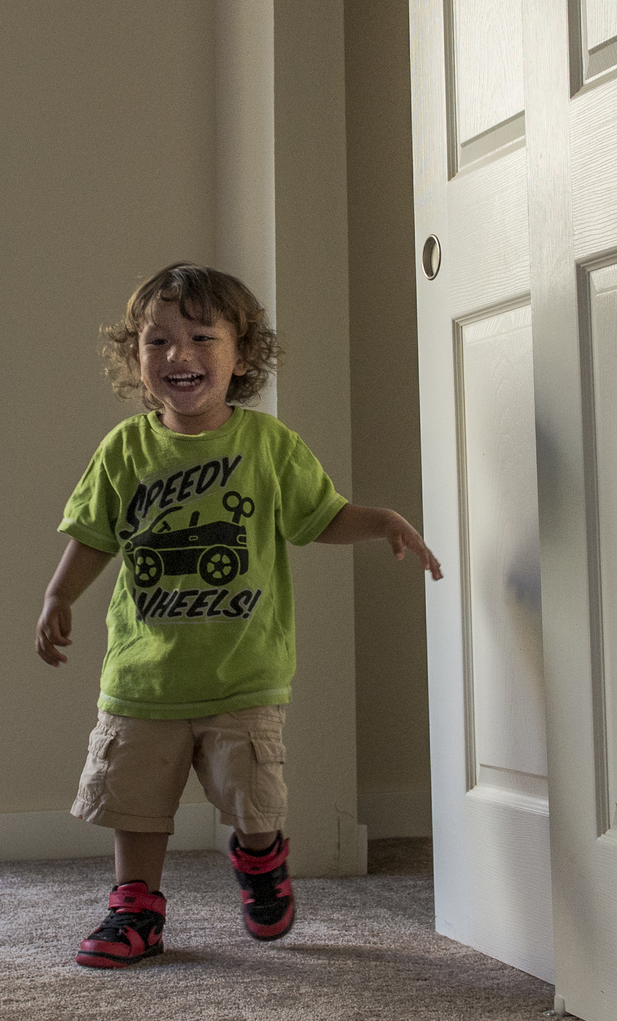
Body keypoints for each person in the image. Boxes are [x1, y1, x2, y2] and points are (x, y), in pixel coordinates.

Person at [34, 263, 443, 967]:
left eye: (200, 337)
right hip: (143, 677)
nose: (178, 356)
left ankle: (260, 864)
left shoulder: (268, 445)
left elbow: (321, 516)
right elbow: (93, 534)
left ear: (242, 355)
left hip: (243, 674)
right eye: (157, 340)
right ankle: (134, 906)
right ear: (135, 357)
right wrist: (59, 595)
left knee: (257, 802)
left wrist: (381, 521)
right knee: (135, 802)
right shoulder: (125, 451)